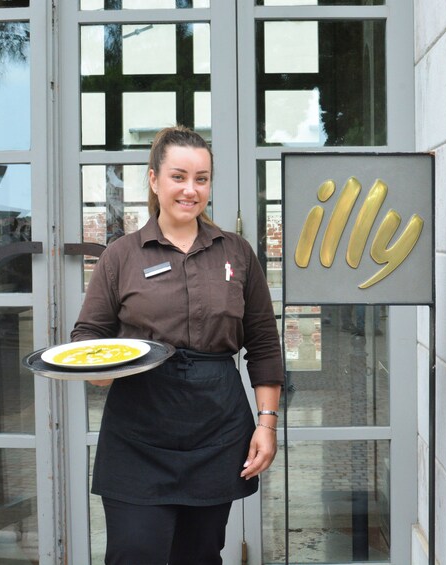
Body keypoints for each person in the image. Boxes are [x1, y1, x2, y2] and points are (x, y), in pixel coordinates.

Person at [71, 125, 283, 564]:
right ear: (154, 180)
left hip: (217, 430)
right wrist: (100, 371)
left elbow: (263, 344)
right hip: (138, 432)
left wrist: (266, 423)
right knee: (135, 553)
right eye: (178, 176)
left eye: (201, 179)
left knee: (200, 555)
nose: (191, 190)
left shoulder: (237, 253)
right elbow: (87, 337)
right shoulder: (121, 256)